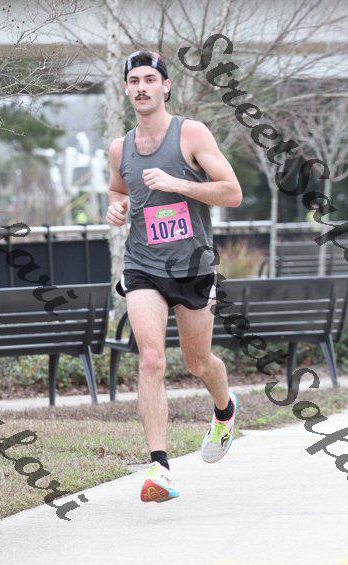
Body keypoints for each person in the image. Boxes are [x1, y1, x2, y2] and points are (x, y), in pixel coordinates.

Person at [106, 50, 243, 503]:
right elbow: (118, 189)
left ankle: (224, 409)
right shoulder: (120, 148)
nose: (142, 87)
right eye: (134, 81)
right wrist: (116, 207)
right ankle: (159, 467)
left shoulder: (191, 133)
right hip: (143, 265)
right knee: (151, 359)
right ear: (126, 89)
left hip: (193, 267)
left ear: (165, 86)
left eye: (150, 79)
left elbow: (233, 193)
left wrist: (177, 183)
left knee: (198, 362)